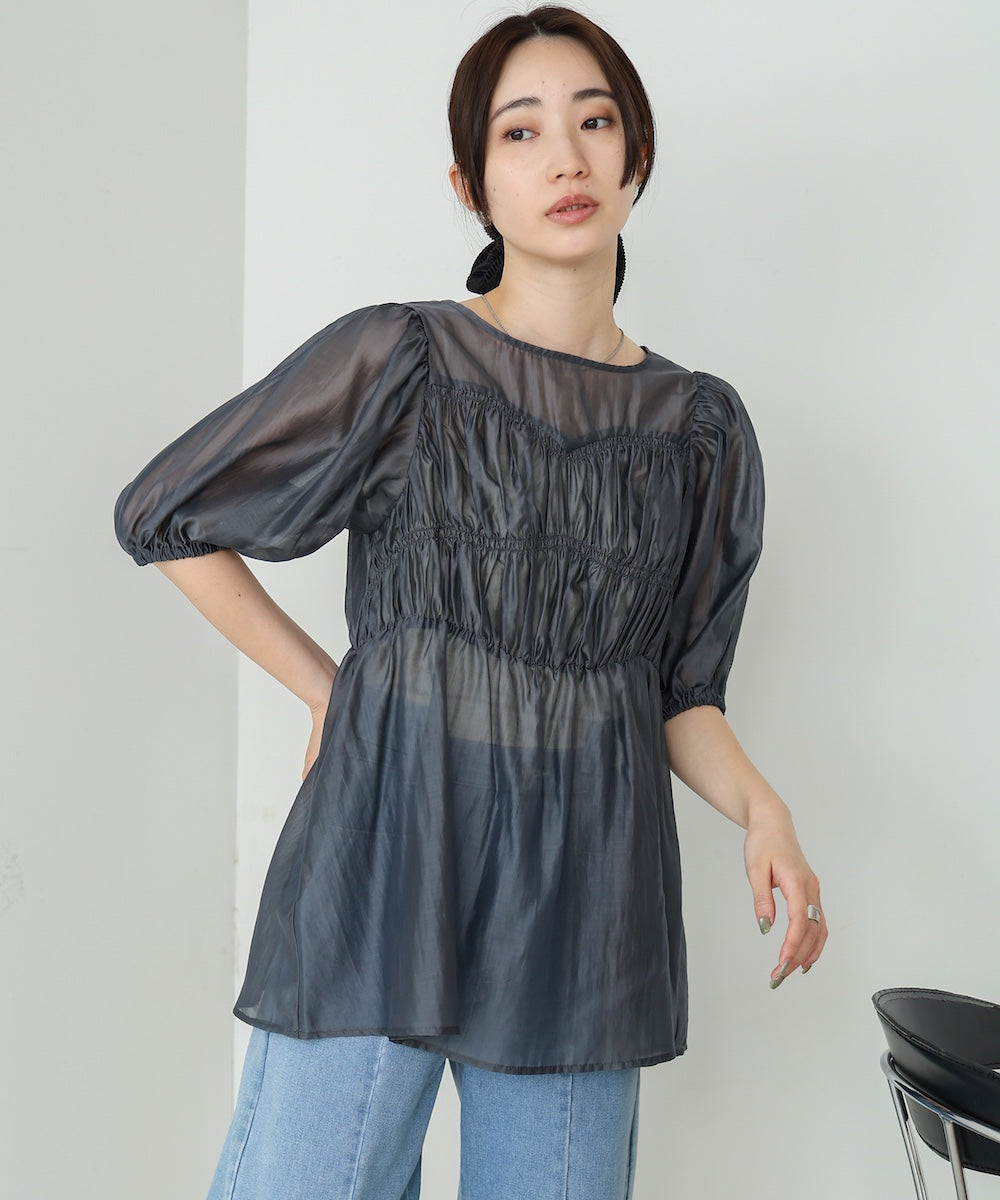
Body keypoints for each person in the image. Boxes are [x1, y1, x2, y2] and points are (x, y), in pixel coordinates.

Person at [114, 6, 827, 1198]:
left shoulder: (699, 430)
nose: (566, 158)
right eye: (521, 132)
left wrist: (765, 810)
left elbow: (676, 689)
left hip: (584, 906)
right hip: (382, 860)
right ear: (471, 184)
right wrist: (330, 691)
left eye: (596, 123)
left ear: (636, 159)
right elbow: (165, 515)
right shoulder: (404, 361)